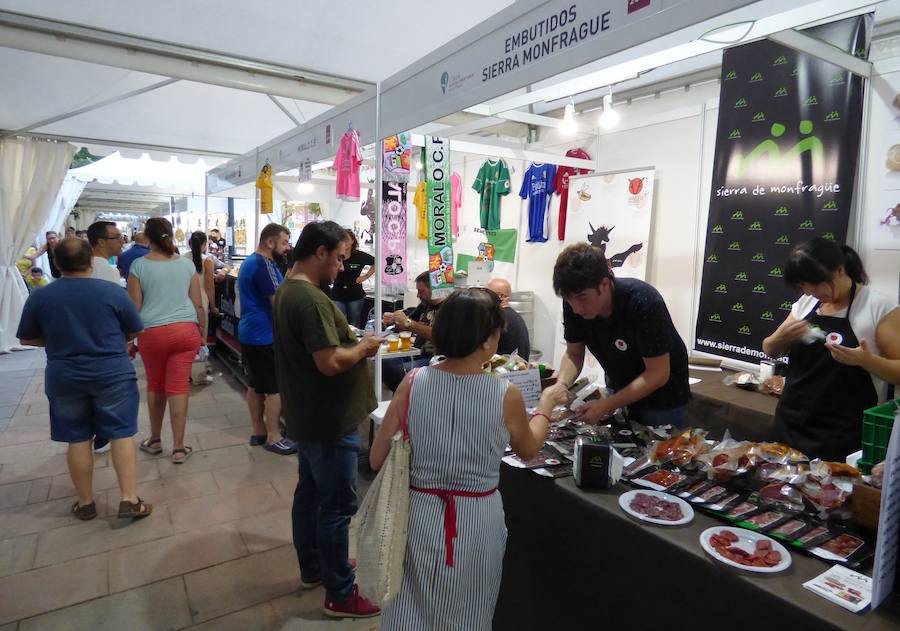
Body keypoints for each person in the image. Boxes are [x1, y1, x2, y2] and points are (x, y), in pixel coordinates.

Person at [372, 288, 565, 630]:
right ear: (489, 340)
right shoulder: (505, 393)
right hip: (476, 520)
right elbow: (529, 450)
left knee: (409, 609)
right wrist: (547, 405)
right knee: (469, 612)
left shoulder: (414, 382)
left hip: (416, 515)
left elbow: (376, 459)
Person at [272, 220, 382, 619]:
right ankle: (339, 592)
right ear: (319, 252)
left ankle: (315, 567)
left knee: (310, 494)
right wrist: (365, 346)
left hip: (307, 413)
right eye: (337, 259)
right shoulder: (311, 300)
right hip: (329, 418)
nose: (340, 268)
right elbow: (331, 362)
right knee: (337, 507)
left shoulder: (287, 290)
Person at [16, 238, 152, 520]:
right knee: (121, 434)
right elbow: (135, 330)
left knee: (77, 438)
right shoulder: (113, 292)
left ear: (56, 263)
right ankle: (129, 499)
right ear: (91, 261)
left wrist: (58, 341)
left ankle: (86, 502)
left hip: (64, 376)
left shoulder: (41, 297)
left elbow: (27, 338)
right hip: (113, 373)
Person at [763, 239, 900, 461]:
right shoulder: (807, 303)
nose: (809, 291)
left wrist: (866, 361)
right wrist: (780, 337)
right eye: (803, 285)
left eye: (815, 283)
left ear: (839, 270)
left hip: (842, 435)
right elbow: (769, 349)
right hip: (790, 423)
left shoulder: (877, 307)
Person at [547, 243, 690, 427]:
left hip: (662, 401)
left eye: (582, 298)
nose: (576, 308)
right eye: (568, 299)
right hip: (619, 387)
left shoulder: (643, 302)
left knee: (656, 452)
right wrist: (561, 385)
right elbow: (573, 353)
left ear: (605, 284)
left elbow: (658, 373)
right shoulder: (574, 302)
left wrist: (607, 405)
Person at [128, 217, 204, 464]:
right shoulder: (186, 265)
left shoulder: (139, 265)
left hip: (152, 333)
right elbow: (198, 304)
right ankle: (179, 448)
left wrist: (129, 340)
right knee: (179, 386)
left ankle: (155, 439)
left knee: (155, 384)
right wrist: (202, 333)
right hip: (185, 331)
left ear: (147, 238)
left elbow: (134, 308)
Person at [237, 223, 297, 455]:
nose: (286, 248)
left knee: (255, 384)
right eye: (283, 243)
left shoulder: (251, 262)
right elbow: (278, 302)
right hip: (264, 335)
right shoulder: (264, 264)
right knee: (274, 387)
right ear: (269, 242)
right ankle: (274, 436)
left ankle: (259, 430)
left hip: (250, 332)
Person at [382, 271, 446, 392]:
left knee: (399, 370)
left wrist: (408, 323)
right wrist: (392, 320)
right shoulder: (425, 305)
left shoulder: (449, 308)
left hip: (436, 359)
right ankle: (405, 397)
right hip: (417, 353)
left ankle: (409, 398)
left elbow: (437, 335)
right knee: (384, 363)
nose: (418, 295)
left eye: (421, 291)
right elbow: (405, 325)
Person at [331, 230, 375, 329]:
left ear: (352, 241)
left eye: (347, 240)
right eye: (342, 240)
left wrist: (366, 276)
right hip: (337, 294)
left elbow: (377, 262)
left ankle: (355, 343)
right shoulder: (335, 254)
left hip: (355, 295)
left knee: (354, 323)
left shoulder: (359, 256)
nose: (344, 242)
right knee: (339, 323)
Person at [487, 277, 531, 359]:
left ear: (500, 296)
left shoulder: (498, 318)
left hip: (505, 369)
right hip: (518, 369)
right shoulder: (514, 316)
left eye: (487, 294)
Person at [184, 231, 220, 321]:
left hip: (184, 300)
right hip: (201, 300)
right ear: (204, 244)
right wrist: (213, 306)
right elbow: (209, 287)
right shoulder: (207, 261)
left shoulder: (182, 258)